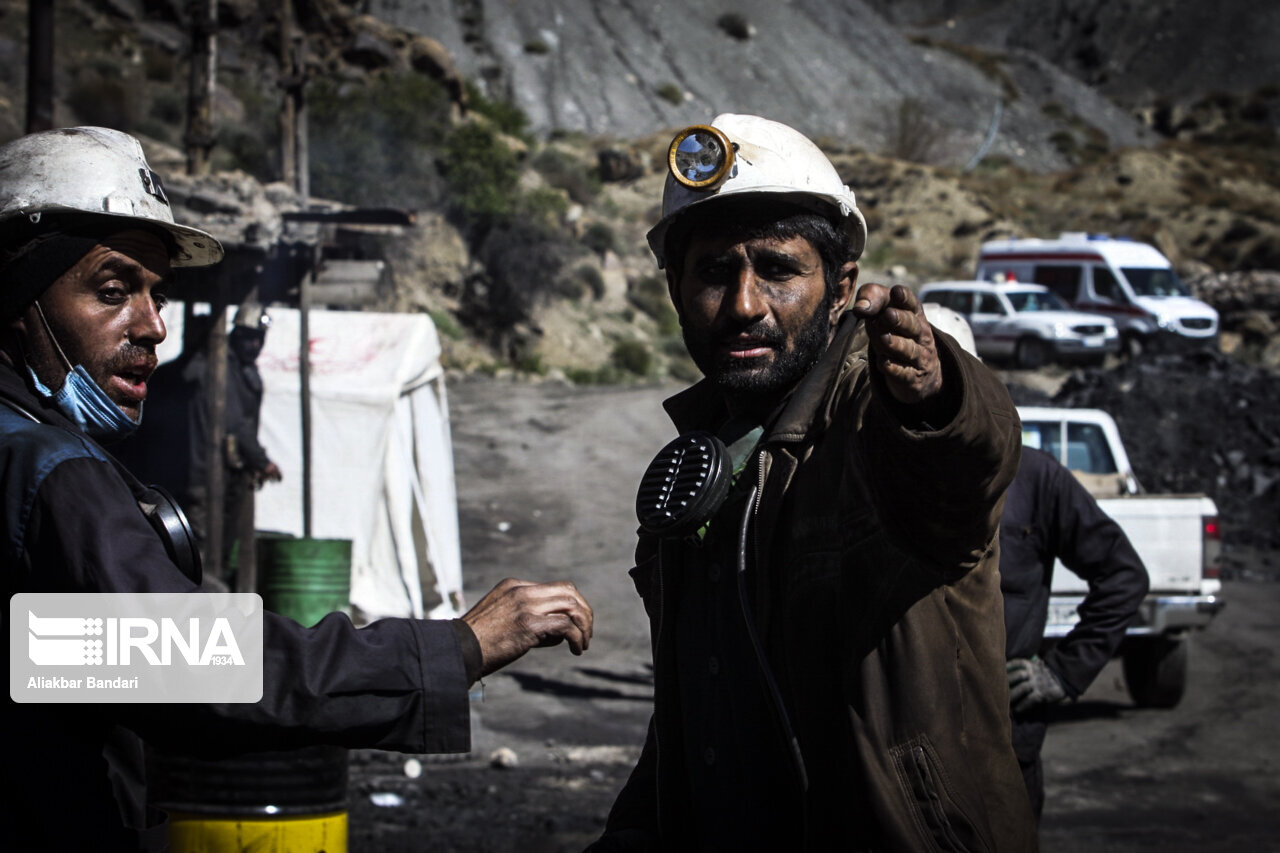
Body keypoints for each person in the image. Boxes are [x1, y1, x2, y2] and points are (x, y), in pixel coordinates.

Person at [0, 126, 593, 851]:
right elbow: (192, 669)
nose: (153, 325)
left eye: (156, 294)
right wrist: (456, 648)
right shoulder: (49, 472)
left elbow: (65, 659)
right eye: (114, 290)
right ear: (18, 295)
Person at [589, 114, 1036, 851]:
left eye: (777, 268)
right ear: (674, 290)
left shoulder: (872, 418)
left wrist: (934, 394)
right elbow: (699, 704)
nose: (743, 304)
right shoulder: (702, 464)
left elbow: (964, 462)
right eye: (712, 272)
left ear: (840, 287)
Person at [1001, 444, 1150, 819]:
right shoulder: (890, 471)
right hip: (906, 746)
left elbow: (1123, 577)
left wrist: (1062, 672)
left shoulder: (1034, 476)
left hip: (1006, 738)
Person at [117, 301, 282, 584]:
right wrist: (260, 460)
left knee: (222, 547)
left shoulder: (245, 373)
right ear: (234, 336)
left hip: (228, 477)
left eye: (259, 339)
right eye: (248, 338)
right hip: (201, 476)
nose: (254, 345)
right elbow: (235, 424)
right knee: (199, 549)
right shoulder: (216, 370)